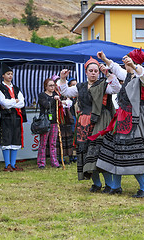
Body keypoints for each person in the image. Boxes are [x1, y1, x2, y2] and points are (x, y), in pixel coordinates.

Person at [94, 49, 144, 198]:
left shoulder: (143, 76)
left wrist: (135, 66)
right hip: (124, 116)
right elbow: (116, 68)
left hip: (137, 118)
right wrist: (105, 58)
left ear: (134, 61)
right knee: (116, 148)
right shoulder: (128, 75)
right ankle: (116, 186)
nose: (124, 61)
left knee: (134, 152)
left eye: (128, 59)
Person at [57, 57, 121, 193]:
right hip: (84, 123)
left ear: (99, 72)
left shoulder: (104, 85)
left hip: (101, 122)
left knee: (101, 154)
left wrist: (108, 74)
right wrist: (63, 79)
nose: (93, 73)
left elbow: (116, 88)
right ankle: (96, 183)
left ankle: (110, 185)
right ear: (86, 72)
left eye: (96, 71)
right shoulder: (80, 87)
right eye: (90, 71)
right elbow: (65, 92)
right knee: (87, 154)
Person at [0, 63, 26, 172]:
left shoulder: (16, 88)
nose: (10, 76)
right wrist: (14, 101)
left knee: (15, 140)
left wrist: (11, 103)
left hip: (17, 117)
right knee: (6, 140)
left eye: (11, 74)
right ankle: (7, 164)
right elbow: (3, 103)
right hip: (6, 118)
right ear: (3, 75)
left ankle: (13, 164)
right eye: (8, 74)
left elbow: (22, 103)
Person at [37, 78, 63, 169]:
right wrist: (53, 99)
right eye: (50, 85)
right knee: (43, 143)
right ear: (46, 86)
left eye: (53, 85)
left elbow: (60, 105)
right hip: (45, 121)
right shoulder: (42, 95)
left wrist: (59, 100)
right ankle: (41, 163)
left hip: (54, 121)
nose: (52, 87)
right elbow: (46, 105)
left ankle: (54, 162)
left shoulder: (56, 94)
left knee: (53, 143)